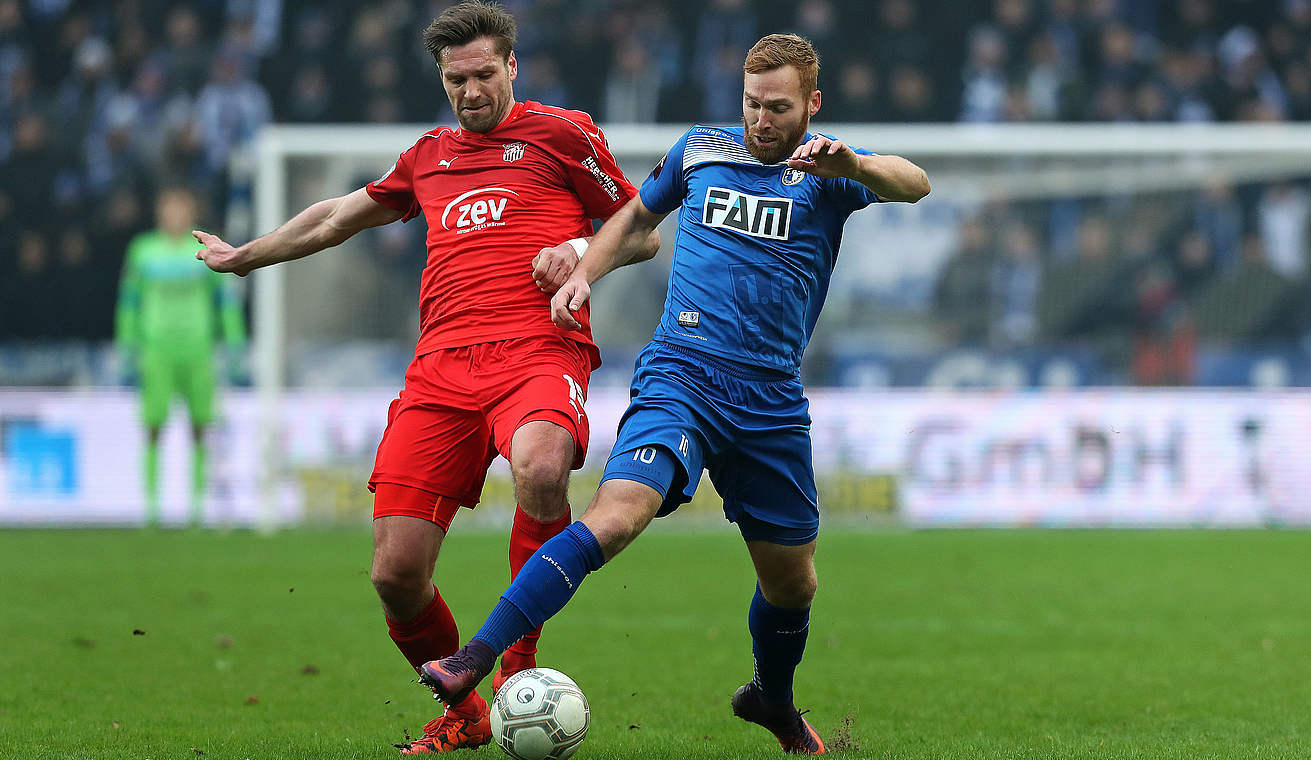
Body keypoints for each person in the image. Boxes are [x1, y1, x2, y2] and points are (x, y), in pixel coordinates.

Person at [418, 33, 930, 755]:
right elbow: (634, 218)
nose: (761, 121)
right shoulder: (702, 149)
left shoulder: (829, 169)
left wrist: (859, 164)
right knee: (618, 517)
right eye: (752, 104)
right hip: (682, 377)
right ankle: (476, 658)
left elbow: (916, 183)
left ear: (811, 104)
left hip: (770, 399)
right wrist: (584, 274)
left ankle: (772, 700)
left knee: (794, 586)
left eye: (778, 108)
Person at [193, 2, 659, 753]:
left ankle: (515, 669)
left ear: (512, 65)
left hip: (538, 349)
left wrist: (576, 247)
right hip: (440, 371)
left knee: (542, 467)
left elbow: (641, 228)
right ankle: (467, 715)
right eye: (455, 80)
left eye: (482, 75)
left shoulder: (563, 134)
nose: (470, 92)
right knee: (394, 574)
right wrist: (246, 256)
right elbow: (337, 217)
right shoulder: (427, 155)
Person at [116, 186, 246, 528]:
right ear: (160, 212)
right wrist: (128, 344)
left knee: (200, 427)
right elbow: (130, 300)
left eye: (181, 208)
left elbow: (226, 300)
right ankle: (152, 510)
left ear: (191, 213)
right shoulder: (143, 251)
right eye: (169, 208)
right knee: (153, 427)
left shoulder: (204, 250)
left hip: (198, 349)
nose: (174, 215)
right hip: (156, 350)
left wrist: (234, 341)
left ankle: (197, 511)